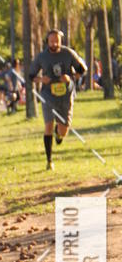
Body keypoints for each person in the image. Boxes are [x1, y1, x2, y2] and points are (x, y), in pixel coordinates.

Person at [29, 29, 87, 170]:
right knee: (47, 125)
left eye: (57, 41)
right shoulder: (42, 57)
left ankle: (59, 133)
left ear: (61, 41)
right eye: (52, 41)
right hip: (48, 95)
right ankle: (49, 161)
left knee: (63, 131)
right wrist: (41, 79)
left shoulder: (68, 53)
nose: (54, 43)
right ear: (47, 41)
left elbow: (82, 70)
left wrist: (70, 78)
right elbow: (31, 76)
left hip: (66, 96)